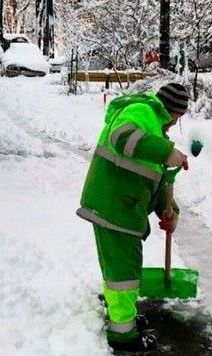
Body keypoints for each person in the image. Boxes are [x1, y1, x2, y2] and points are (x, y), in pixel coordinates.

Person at [76, 82, 190, 353]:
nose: (176, 123)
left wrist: (169, 209)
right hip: (115, 207)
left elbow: (151, 179)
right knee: (124, 272)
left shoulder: (154, 127)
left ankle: (122, 316)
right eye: (179, 117)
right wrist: (166, 151)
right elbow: (121, 136)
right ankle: (123, 334)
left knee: (119, 269)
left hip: (121, 208)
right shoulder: (142, 111)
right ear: (174, 112)